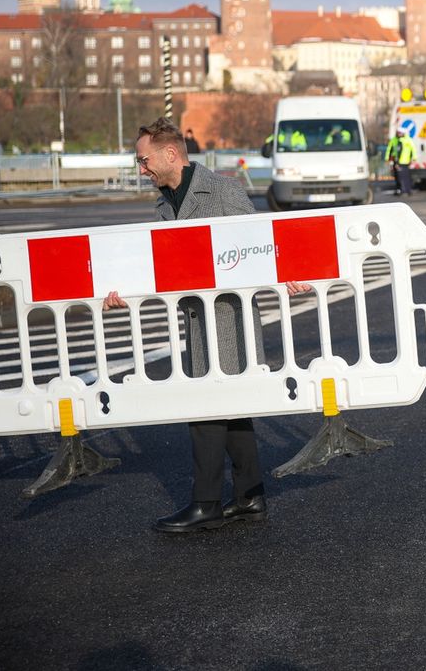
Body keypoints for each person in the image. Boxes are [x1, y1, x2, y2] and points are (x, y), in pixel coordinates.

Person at [103, 118, 311, 533]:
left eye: (143, 160)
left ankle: (206, 503)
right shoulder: (164, 203)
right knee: (232, 408)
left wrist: (288, 271)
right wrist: (124, 291)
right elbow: (159, 264)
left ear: (170, 154)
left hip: (230, 318)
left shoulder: (222, 191)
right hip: (198, 319)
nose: (141, 169)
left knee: (205, 406)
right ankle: (250, 497)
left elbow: (261, 242)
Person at [385, 131, 416, 196]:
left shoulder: (407, 140)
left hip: (405, 162)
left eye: (400, 133)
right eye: (398, 133)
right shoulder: (394, 140)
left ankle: (407, 190)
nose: (399, 134)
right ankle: (400, 189)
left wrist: (413, 159)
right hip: (397, 161)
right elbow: (389, 149)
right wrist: (388, 159)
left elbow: (413, 149)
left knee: (405, 177)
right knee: (398, 177)